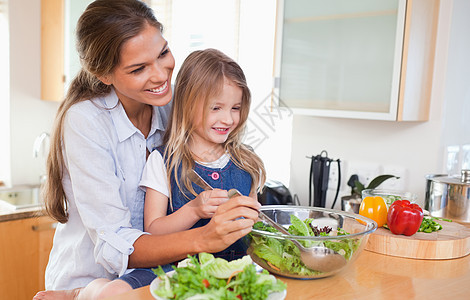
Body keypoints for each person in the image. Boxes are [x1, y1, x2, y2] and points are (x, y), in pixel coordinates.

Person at [33, 1, 261, 299]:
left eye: (163, 53)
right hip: (96, 279)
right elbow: (117, 244)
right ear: (105, 74)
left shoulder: (169, 106)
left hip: (160, 276)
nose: (160, 75)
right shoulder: (85, 121)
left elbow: (216, 132)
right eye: (139, 68)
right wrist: (205, 238)